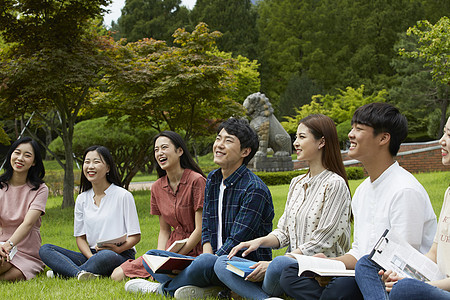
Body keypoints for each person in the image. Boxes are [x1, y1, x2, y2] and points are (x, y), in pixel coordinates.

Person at [279, 102, 437, 299]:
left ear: (383, 138)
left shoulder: (404, 190)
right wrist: (329, 264)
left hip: (393, 282)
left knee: (341, 288)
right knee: (291, 274)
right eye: (352, 128)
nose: (350, 134)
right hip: (363, 272)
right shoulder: (362, 190)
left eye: (359, 129)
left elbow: (401, 263)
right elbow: (359, 252)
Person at [124, 117, 274, 299]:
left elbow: (236, 240)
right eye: (218, 138)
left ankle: (163, 289)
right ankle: (206, 285)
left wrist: (207, 261)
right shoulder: (213, 179)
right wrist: (206, 258)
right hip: (211, 260)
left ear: (245, 151)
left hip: (241, 265)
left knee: (205, 262)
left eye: (228, 141)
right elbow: (208, 227)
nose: (219, 145)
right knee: (152, 256)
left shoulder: (254, 189)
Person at [213, 114, 352, 299]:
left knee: (277, 265)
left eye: (302, 137)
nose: (295, 142)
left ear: (321, 142)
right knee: (222, 263)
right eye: (296, 137)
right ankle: (266, 298)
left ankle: (251, 291)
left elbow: (323, 241)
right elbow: (284, 232)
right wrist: (259, 242)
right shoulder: (296, 182)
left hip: (315, 269)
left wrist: (278, 262)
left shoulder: (335, 184)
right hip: (287, 267)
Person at [355, 116, 450, 300]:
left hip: (442, 288)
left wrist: (417, 284)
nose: (441, 140)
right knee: (366, 264)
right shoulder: (449, 193)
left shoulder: (405, 188)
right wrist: (402, 271)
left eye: (449, 134)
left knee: (405, 289)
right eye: (444, 132)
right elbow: (434, 254)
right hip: (434, 280)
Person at [111, 131, 206, 281]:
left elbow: (200, 229)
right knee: (117, 275)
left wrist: (174, 257)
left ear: (180, 151)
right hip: (171, 247)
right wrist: (160, 260)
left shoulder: (197, 181)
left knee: (177, 274)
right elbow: (164, 230)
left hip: (196, 247)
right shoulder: (157, 187)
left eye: (164, 148)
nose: (159, 153)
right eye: (156, 150)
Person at [39, 145, 141, 280]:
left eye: (96, 162)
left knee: (105, 256)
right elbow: (80, 238)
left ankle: (65, 273)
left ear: (108, 168)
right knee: (45, 249)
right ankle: (80, 273)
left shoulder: (123, 196)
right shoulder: (82, 199)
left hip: (118, 254)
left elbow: (135, 236)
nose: (90, 166)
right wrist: (91, 258)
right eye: (87, 162)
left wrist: (116, 250)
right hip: (92, 254)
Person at [0, 137, 48, 281]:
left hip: (25, 251)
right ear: (11, 156)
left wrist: (8, 245)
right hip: (1, 246)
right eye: (17, 153)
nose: (20, 158)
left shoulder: (40, 189)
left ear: (34, 162)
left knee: (7, 277)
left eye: (27, 155)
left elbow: (28, 223)